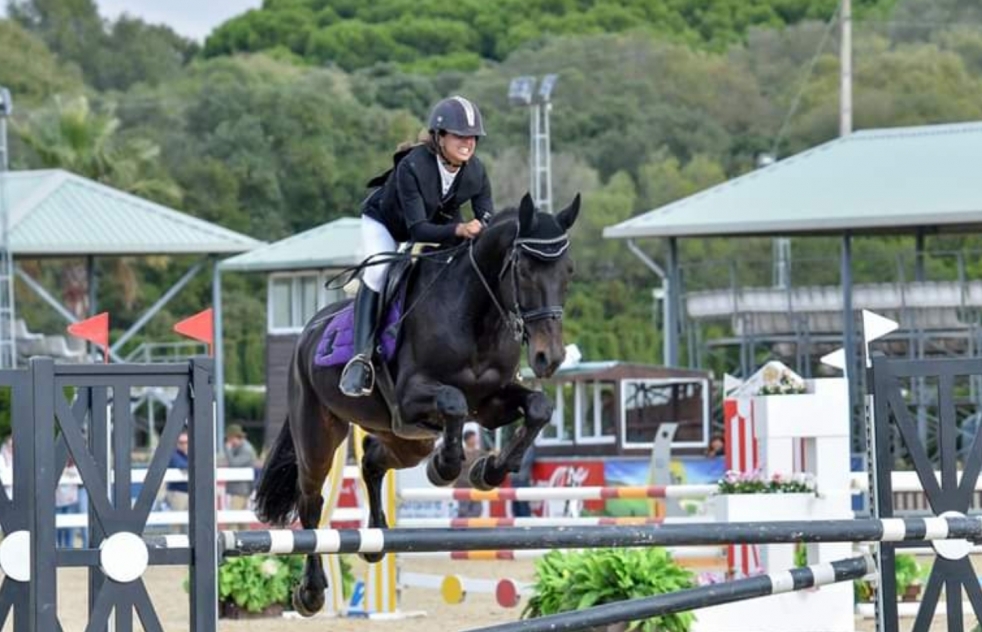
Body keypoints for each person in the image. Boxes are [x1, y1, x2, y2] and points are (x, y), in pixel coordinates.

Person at [340, 95, 494, 397]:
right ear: (439, 136)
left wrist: (482, 226)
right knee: (380, 272)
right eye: (459, 135)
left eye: (472, 137)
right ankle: (361, 359)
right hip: (387, 223)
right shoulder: (414, 166)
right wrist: (461, 228)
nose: (468, 142)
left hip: (441, 221)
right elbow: (418, 230)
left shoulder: (475, 170)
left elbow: (486, 210)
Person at [223, 424, 258, 529]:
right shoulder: (240, 448)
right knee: (242, 521)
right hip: (239, 489)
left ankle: (230, 542)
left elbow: (234, 463)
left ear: (234, 437)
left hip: (241, 490)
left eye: (229, 439)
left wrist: (227, 449)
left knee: (232, 519)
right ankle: (248, 543)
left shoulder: (246, 450)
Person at [455, 428, 484, 518]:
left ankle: (473, 528)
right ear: (467, 439)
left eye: (475, 438)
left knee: (477, 509)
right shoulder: (460, 453)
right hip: (463, 484)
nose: (475, 440)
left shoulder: (479, 452)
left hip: (476, 485)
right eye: (473, 438)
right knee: (464, 508)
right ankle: (462, 528)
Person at [166, 430, 190, 532]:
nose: (184, 445)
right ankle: (174, 544)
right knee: (176, 523)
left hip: (188, 492)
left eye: (186, 442)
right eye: (181, 442)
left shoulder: (189, 454)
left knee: (189, 522)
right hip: (178, 492)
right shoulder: (174, 454)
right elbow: (180, 465)